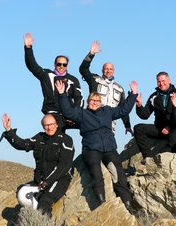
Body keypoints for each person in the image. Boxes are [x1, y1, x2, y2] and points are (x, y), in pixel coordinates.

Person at [55, 79, 138, 213]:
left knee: (119, 175)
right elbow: (67, 111)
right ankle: (102, 206)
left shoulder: (107, 111)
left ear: (101, 102)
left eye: (97, 101)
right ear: (88, 102)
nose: (95, 103)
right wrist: (62, 94)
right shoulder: (82, 113)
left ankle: (128, 206)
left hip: (109, 148)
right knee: (96, 173)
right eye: (92, 101)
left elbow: (123, 110)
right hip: (91, 148)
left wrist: (133, 95)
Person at [0, 113, 74, 216]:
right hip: (41, 181)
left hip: (58, 179)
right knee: (21, 191)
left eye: (51, 124)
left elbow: (64, 166)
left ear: (56, 124)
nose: (49, 127)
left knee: (44, 203)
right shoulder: (40, 137)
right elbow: (22, 144)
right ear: (43, 127)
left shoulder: (66, 140)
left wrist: (47, 182)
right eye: (46, 125)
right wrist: (9, 130)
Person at [24, 32, 84, 132]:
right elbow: (32, 66)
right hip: (53, 114)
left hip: (69, 114)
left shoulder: (73, 80)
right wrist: (28, 48)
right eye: (59, 64)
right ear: (54, 64)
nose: (61, 66)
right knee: (57, 133)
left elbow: (79, 98)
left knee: (91, 124)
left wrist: (74, 114)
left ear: (67, 66)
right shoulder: (46, 75)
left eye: (64, 64)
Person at [79, 41, 133, 135]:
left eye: (110, 69)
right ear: (102, 70)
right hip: (93, 120)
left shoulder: (120, 89)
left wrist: (127, 125)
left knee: (109, 147)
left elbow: (122, 108)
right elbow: (83, 70)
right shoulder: (95, 80)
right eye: (106, 69)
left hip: (110, 125)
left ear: (114, 71)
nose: (108, 71)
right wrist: (91, 54)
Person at [134, 72, 176, 164]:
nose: (161, 83)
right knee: (138, 128)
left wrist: (169, 127)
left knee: (170, 144)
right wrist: (139, 106)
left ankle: (164, 159)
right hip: (159, 128)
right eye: (159, 82)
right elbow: (145, 115)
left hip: (174, 128)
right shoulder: (154, 96)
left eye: (163, 81)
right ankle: (148, 158)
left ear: (169, 81)